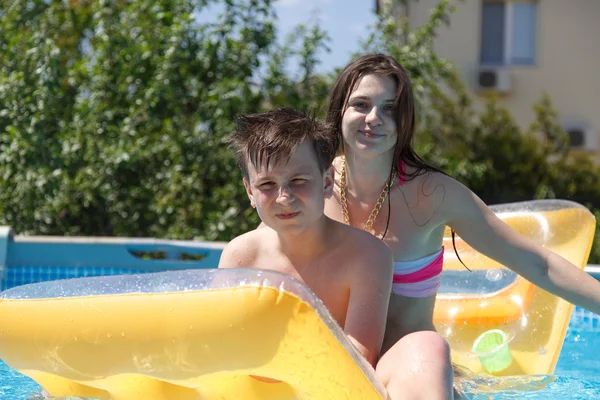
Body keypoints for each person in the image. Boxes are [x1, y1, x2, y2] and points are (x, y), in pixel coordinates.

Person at [323, 53, 600, 400]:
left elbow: (536, 263)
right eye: (360, 104)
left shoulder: (433, 194)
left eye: (390, 108)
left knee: (427, 353)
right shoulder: (313, 186)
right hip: (335, 367)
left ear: (404, 119)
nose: (374, 118)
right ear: (339, 111)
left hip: (416, 369)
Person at [218, 107, 394, 369]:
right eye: (267, 185)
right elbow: (222, 345)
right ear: (249, 192)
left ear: (326, 182)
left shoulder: (366, 257)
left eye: (299, 180)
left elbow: (360, 358)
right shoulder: (241, 257)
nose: (284, 198)